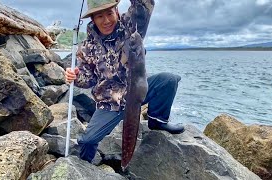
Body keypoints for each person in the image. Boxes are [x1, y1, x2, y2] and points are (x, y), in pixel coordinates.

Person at [65, 0, 185, 163]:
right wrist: (75, 76)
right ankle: (84, 165)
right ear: (93, 19)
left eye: (109, 13)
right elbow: (87, 80)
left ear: (116, 11)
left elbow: (144, 5)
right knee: (88, 141)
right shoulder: (87, 48)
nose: (106, 20)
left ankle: (157, 120)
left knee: (168, 80)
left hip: (137, 91)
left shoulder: (129, 27)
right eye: (100, 16)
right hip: (109, 103)